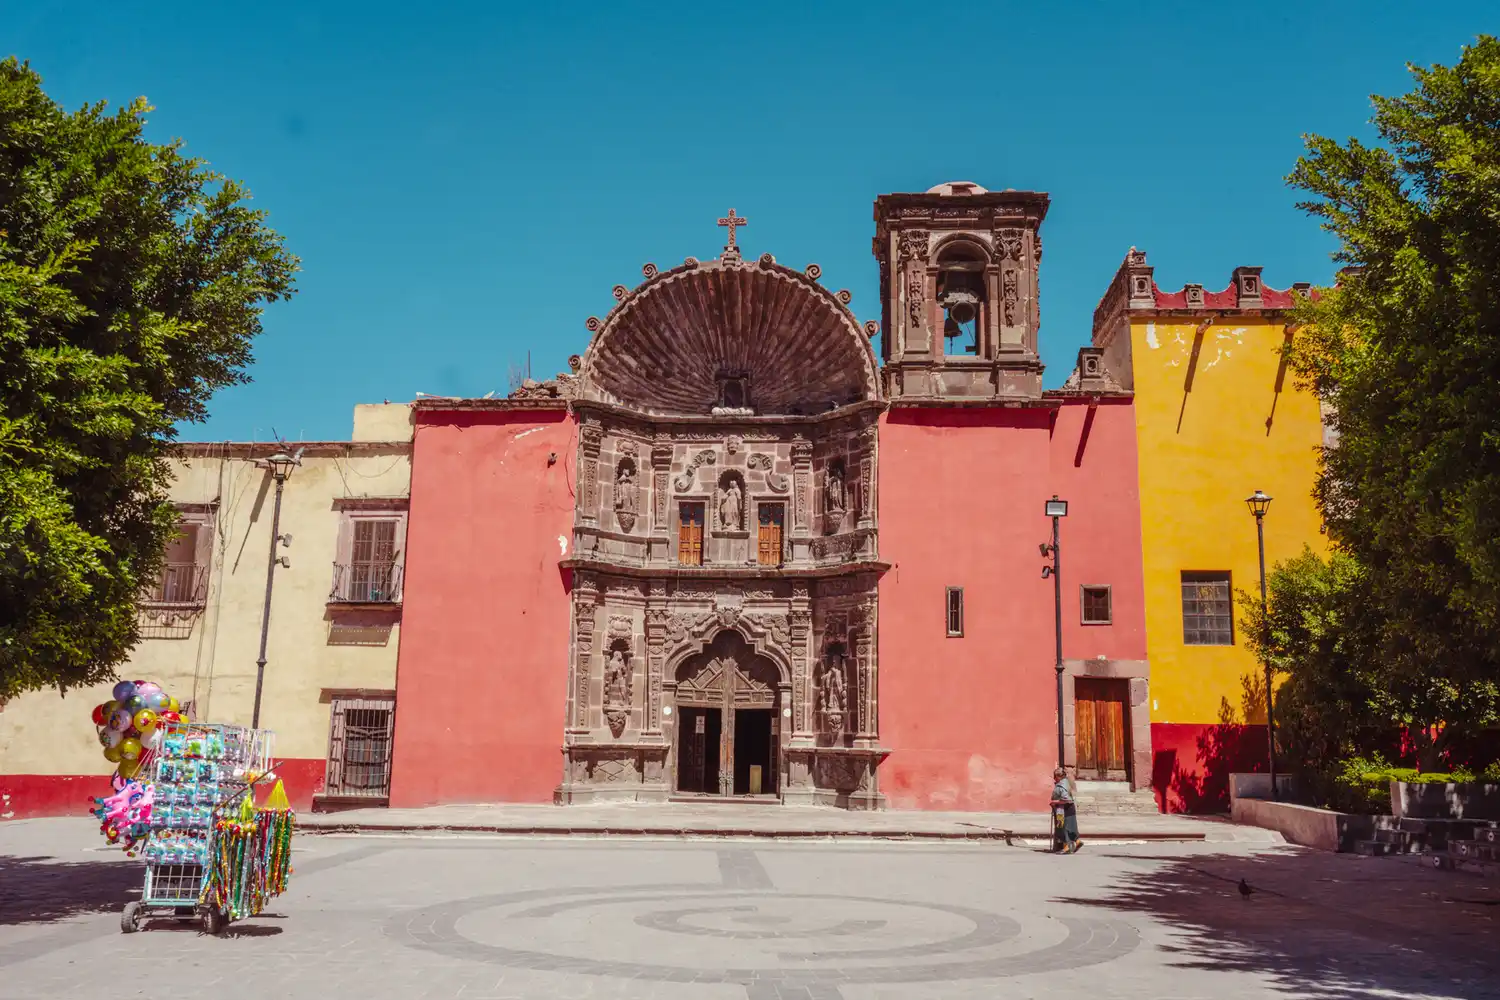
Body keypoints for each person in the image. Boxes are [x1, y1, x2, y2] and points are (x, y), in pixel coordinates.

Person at [1050, 766, 1082, 854]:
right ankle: (1077, 841)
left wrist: (1054, 802)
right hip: (1071, 808)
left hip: (1063, 809)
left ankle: (1066, 846)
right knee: (1072, 827)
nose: (1054, 778)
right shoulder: (1068, 782)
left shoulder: (1061, 785)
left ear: (1059, 776)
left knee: (1063, 828)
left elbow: (1066, 799)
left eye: (1055, 776)